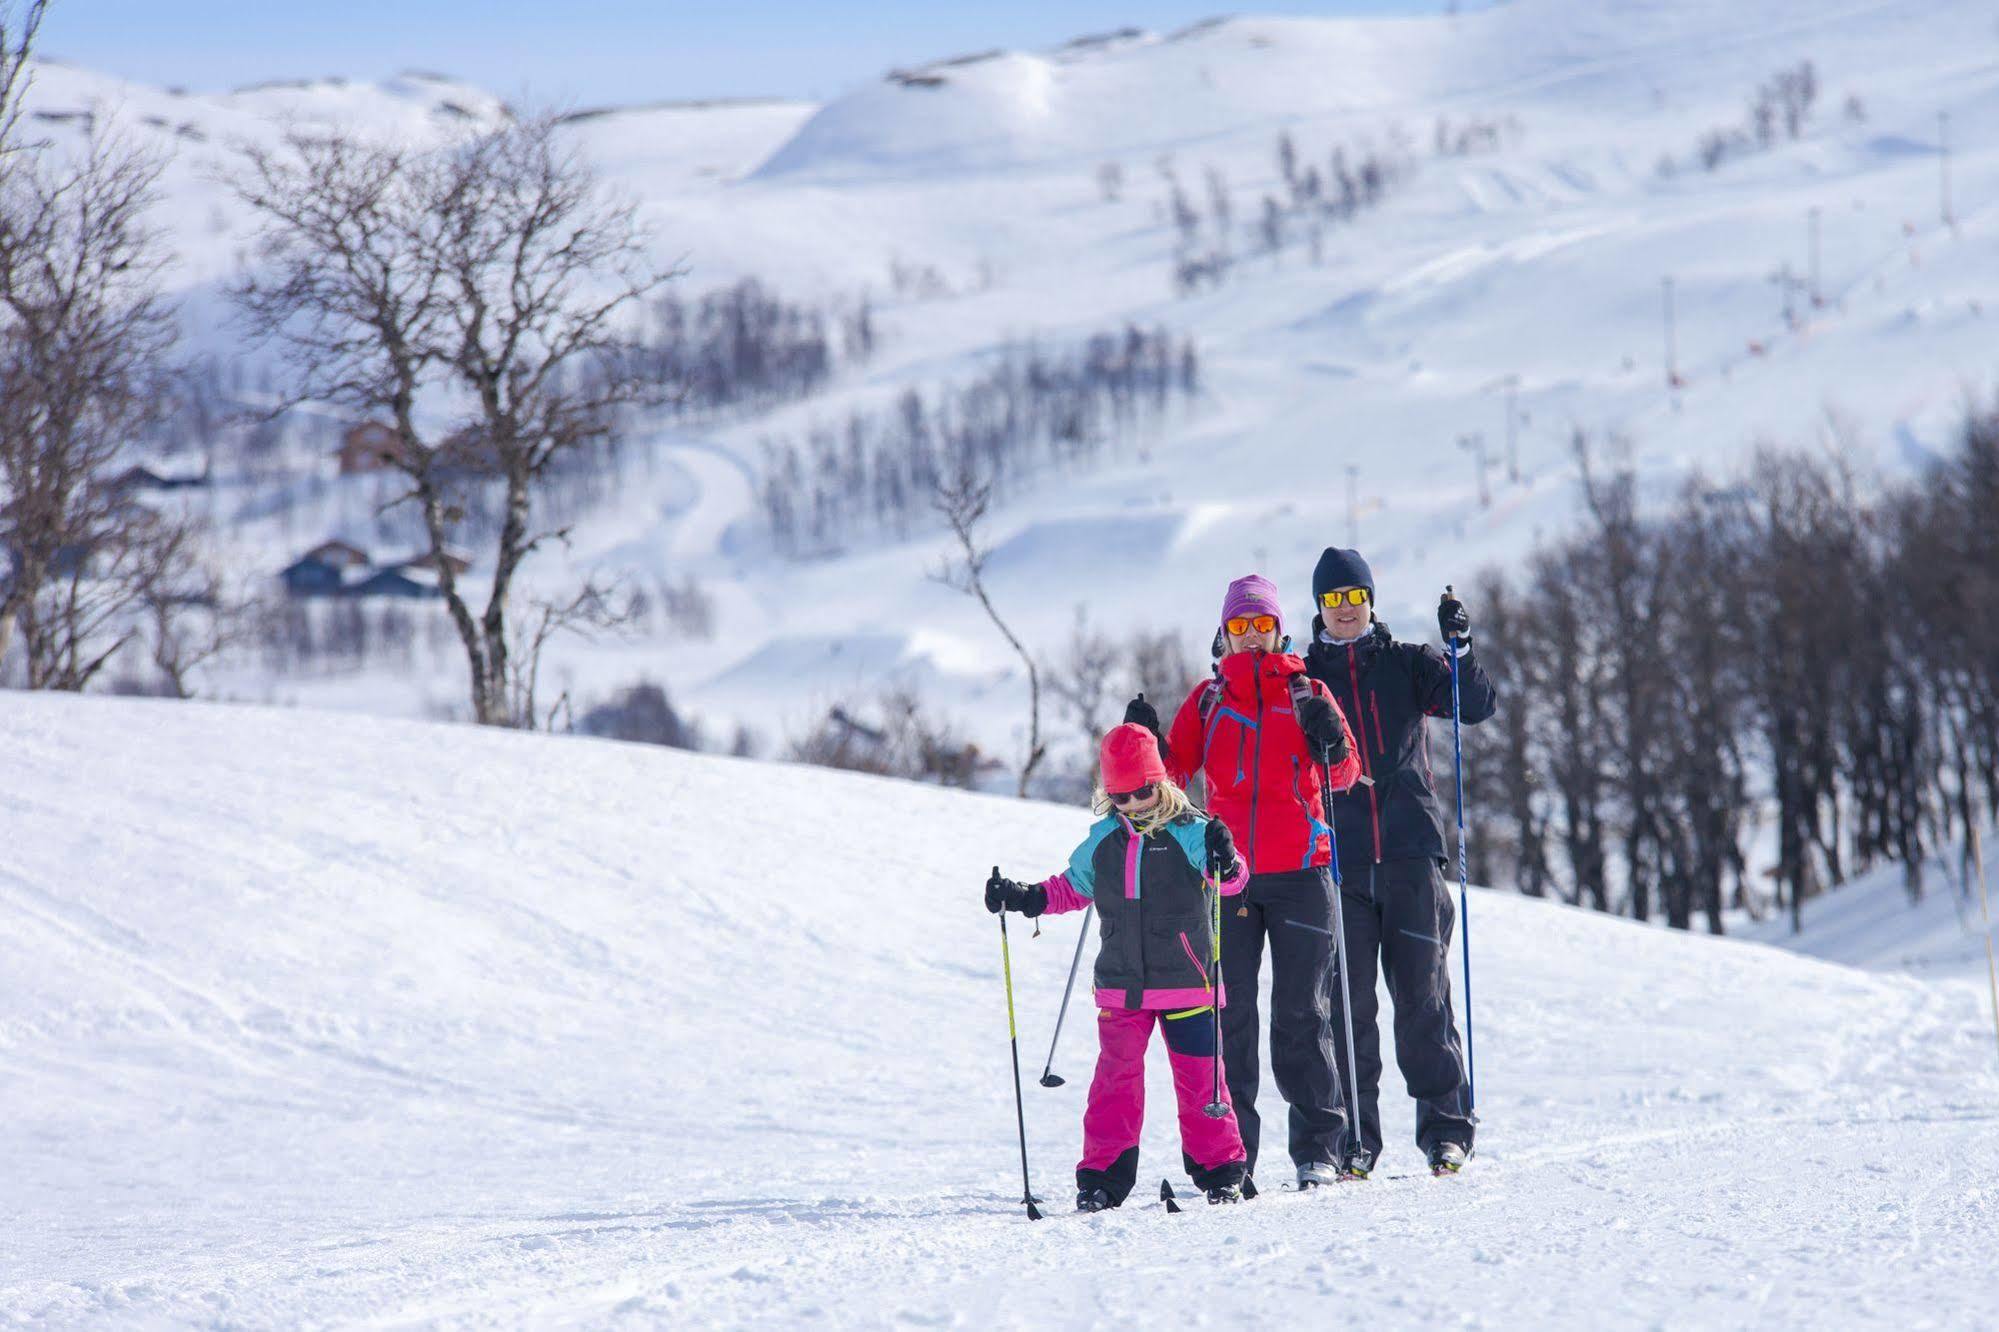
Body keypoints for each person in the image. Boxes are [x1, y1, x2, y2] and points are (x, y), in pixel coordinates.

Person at [1123, 575, 1363, 1190]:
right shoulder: (1209, 699)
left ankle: (1319, 1147)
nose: (1251, 636)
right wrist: (1146, 744)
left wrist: (1330, 739)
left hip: (1303, 875)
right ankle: (1233, 1155)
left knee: (1302, 1014)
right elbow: (1170, 780)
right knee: (1231, 1020)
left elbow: (1346, 774)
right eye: (1239, 626)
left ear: (1278, 628)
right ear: (1224, 635)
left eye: (1261, 624)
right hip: (1227, 879)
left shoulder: (1309, 691)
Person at [984, 723, 1252, 1210]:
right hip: (1121, 987)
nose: (1133, 804)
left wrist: (1226, 857)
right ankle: (1103, 1178)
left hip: (1188, 985)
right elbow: (1070, 887)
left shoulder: (1192, 831)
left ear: (1161, 783)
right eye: (1121, 796)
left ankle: (1221, 1171)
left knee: (1202, 1080)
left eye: (1143, 792)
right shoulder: (1104, 840)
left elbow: (1230, 883)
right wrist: (1024, 898)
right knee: (1115, 1082)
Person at [1302, 547, 1497, 1177]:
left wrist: (1461, 649)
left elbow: (1473, 706)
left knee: (1423, 999)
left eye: (1354, 598)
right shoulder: (1303, 680)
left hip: (1412, 852)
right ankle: (1356, 1140)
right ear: (1319, 608)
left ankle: (1446, 1128)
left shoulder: (1408, 664)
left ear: (1370, 601)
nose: (1345, 611)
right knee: (1349, 1006)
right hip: (1341, 862)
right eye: (1333, 601)